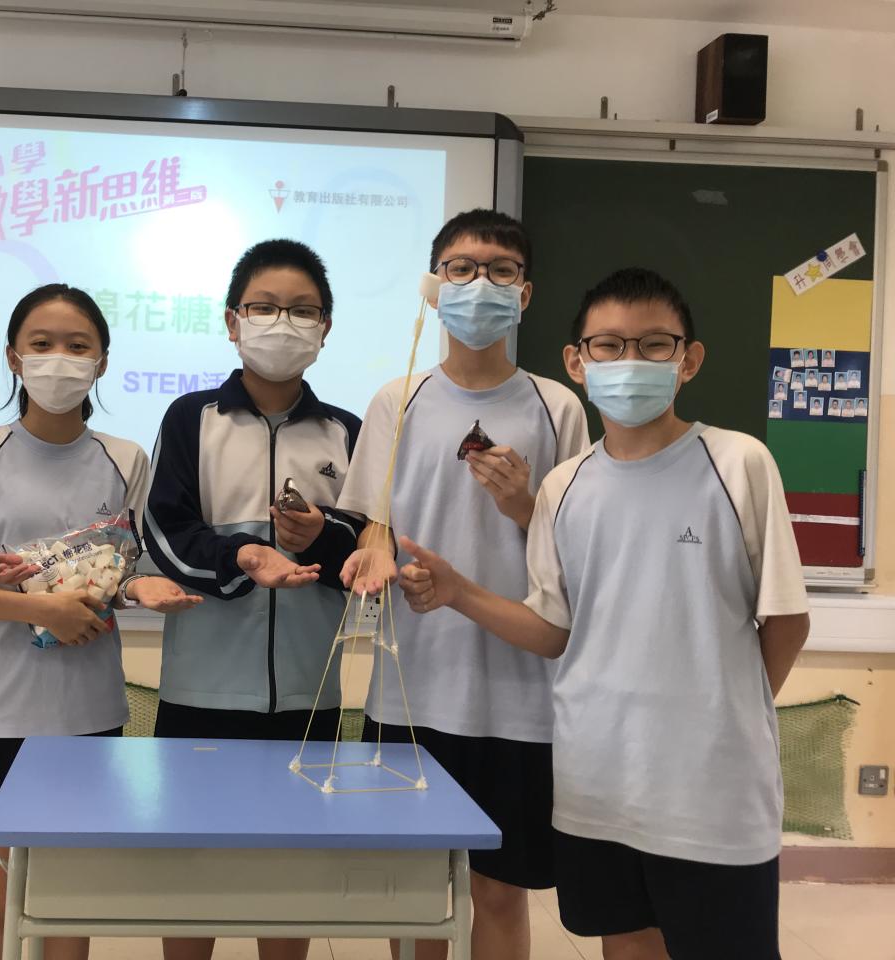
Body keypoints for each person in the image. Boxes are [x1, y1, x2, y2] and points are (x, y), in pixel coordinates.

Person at [398, 268, 810, 960]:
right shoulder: (563, 486)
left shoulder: (739, 463)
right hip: (597, 783)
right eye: (609, 345)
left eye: (654, 345)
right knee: (626, 944)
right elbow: (553, 630)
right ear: (576, 361)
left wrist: (729, 718)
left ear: (689, 359)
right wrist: (458, 591)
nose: (630, 361)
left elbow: (787, 621)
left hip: (712, 792)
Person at [0, 283, 202, 960]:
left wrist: (145, 590)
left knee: (66, 898)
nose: (60, 359)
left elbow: (124, 569)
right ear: (13, 357)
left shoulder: (126, 458)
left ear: (102, 362)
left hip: (90, 710)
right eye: (42, 344)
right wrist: (40, 610)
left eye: (78, 346)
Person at [338, 209, 588, 960]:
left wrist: (523, 507)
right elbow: (374, 523)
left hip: (522, 697)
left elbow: (580, 552)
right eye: (462, 268)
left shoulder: (558, 406)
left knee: (501, 894)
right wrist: (373, 557)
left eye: (501, 270)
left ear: (525, 293)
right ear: (433, 286)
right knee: (413, 890)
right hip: (412, 688)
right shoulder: (397, 400)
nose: (481, 284)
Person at [142, 239, 364, 960]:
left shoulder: (347, 432)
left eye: (302, 310)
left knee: (290, 871)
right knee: (191, 871)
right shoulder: (191, 418)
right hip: (200, 689)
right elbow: (164, 532)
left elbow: (367, 553)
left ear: (325, 328)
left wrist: (321, 538)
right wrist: (241, 557)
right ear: (233, 320)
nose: (283, 322)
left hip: (309, 691)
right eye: (265, 307)